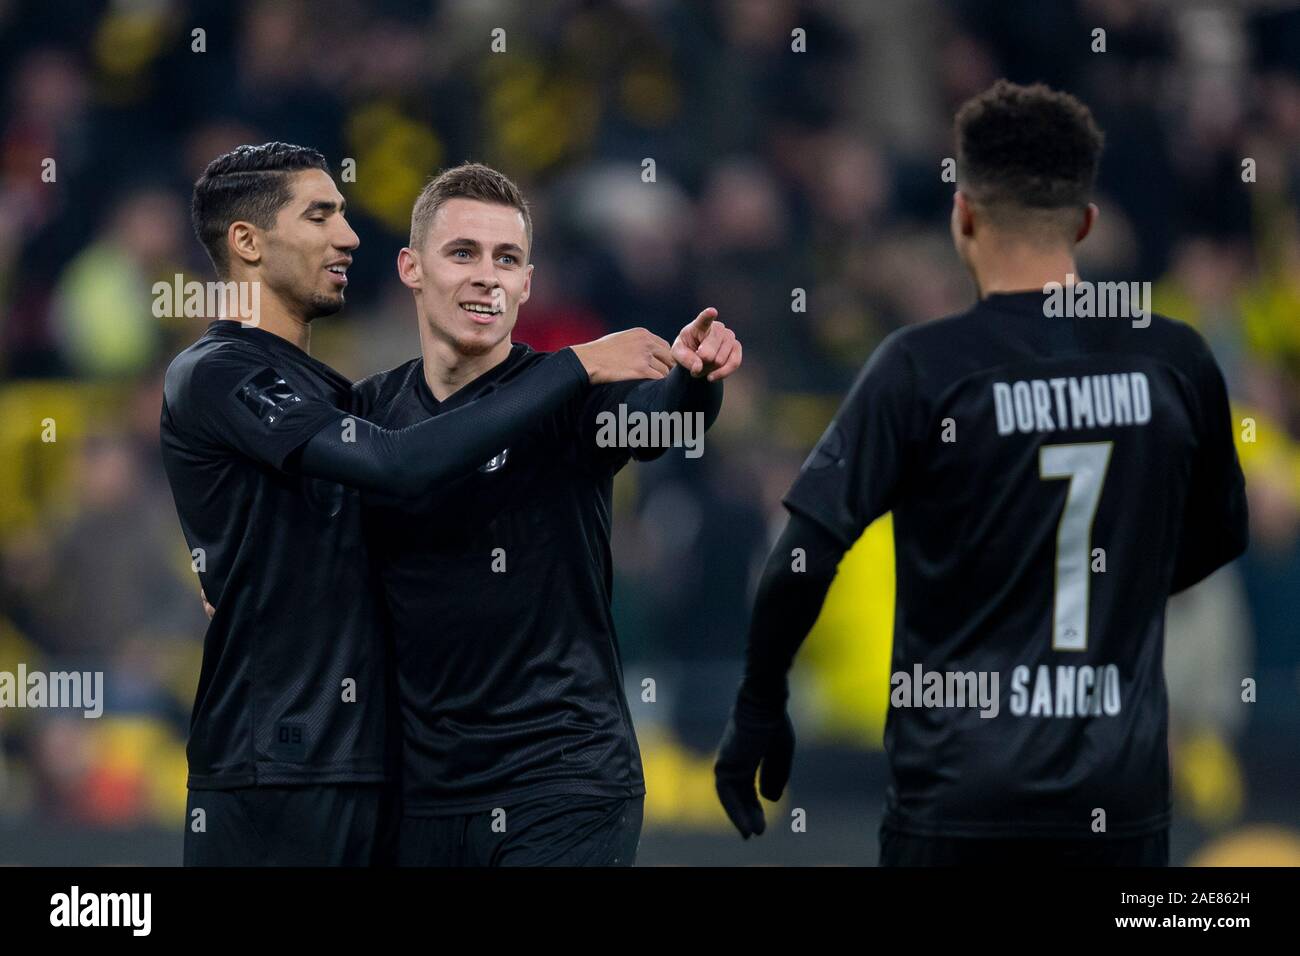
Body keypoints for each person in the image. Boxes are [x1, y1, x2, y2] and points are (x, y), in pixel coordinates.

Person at [713, 81, 1248, 867]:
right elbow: (1224, 531)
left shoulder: (921, 368)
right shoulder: (1174, 359)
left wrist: (759, 703)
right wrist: (1114, 587)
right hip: (1119, 798)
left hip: (959, 797)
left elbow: (804, 553)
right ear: (1086, 223)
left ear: (963, 215)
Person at [162, 143, 674, 865]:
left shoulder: (338, 395)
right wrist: (577, 363)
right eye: (321, 215)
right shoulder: (217, 373)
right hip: (273, 773)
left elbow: (660, 418)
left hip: (378, 776)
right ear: (246, 242)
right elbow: (398, 466)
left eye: (343, 213)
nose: (348, 236)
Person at [351, 163, 742, 866]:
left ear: (527, 283)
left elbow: (654, 423)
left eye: (507, 259)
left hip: (563, 781)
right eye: (462, 253)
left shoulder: (572, 399)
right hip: (420, 792)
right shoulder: (370, 414)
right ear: (412, 267)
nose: (486, 276)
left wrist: (695, 383)